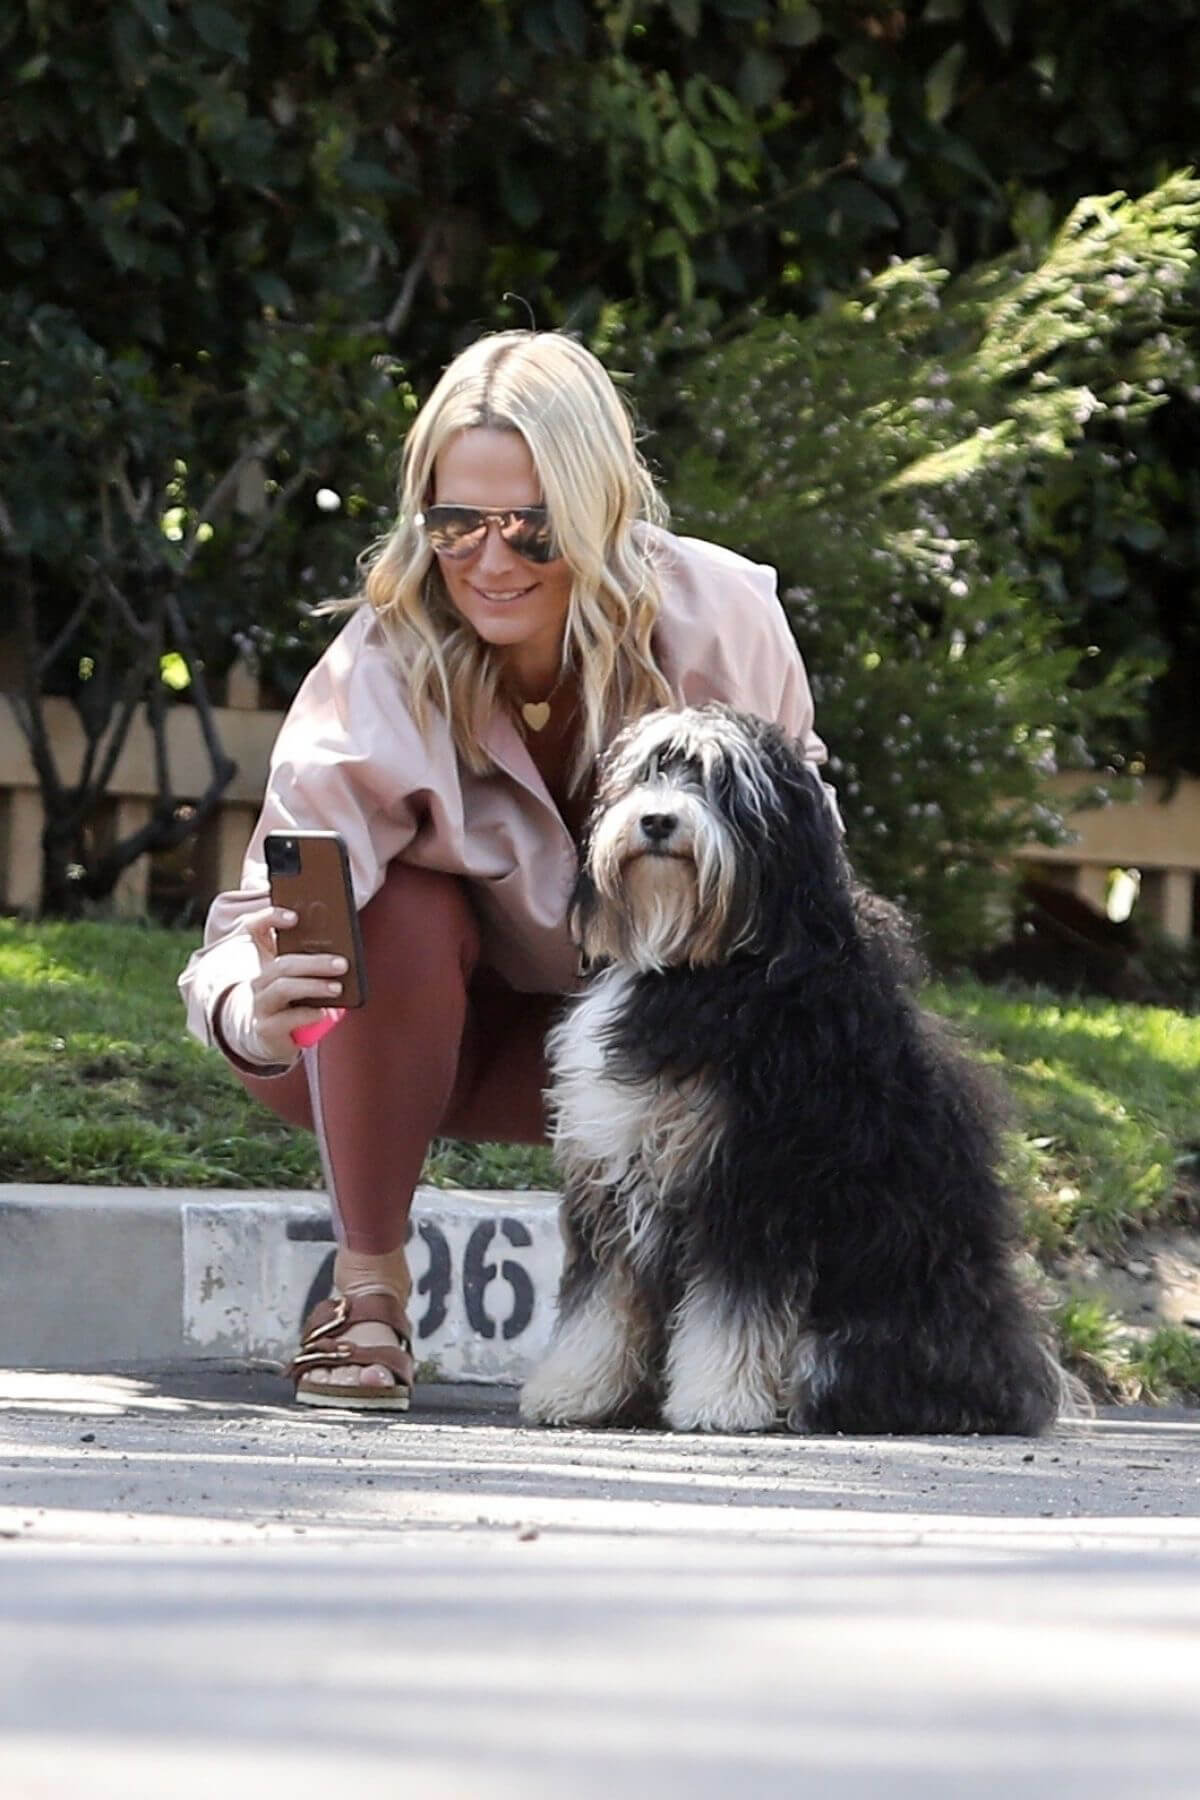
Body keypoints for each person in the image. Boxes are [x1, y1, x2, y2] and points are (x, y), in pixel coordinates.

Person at [179, 329, 831, 1410]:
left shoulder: (722, 620)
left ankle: (754, 1309)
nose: (489, 560)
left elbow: (807, 878)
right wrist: (248, 1007)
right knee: (396, 909)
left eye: (531, 528)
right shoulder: (378, 671)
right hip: (432, 1046)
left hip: (678, 1039)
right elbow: (270, 909)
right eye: (455, 524)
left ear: (598, 510)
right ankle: (367, 1296)